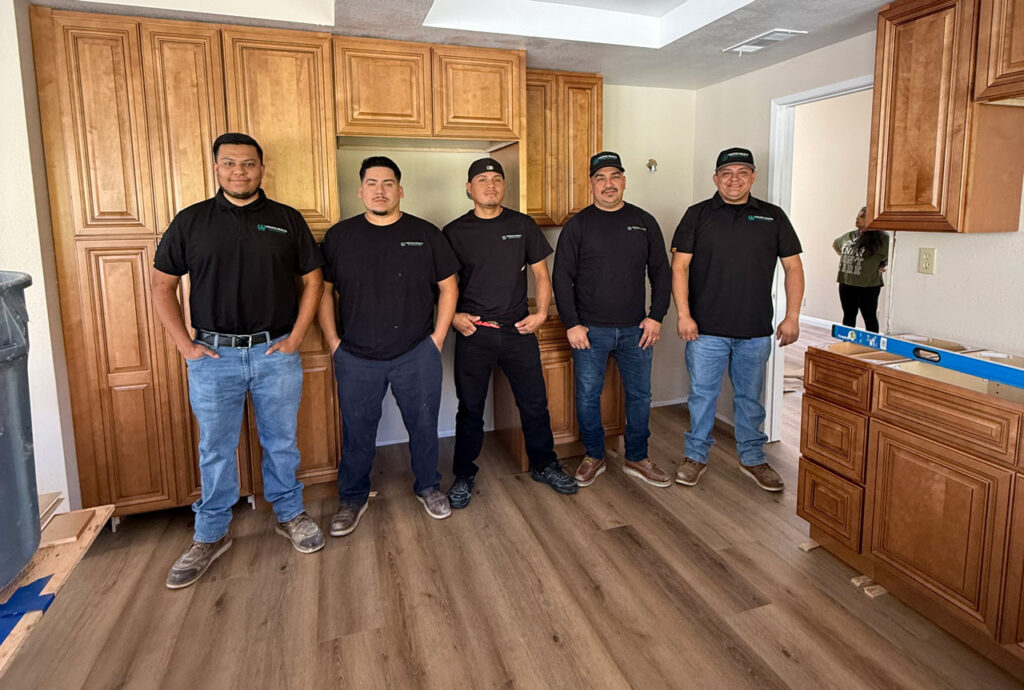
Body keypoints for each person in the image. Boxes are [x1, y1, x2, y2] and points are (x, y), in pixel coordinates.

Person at [153, 132, 325, 589]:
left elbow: (314, 281)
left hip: (275, 353)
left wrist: (296, 337)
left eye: (248, 164)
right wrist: (185, 346)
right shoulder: (191, 222)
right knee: (215, 448)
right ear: (215, 168)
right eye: (229, 164)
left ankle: (290, 515)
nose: (239, 172)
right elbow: (160, 286)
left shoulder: (286, 220)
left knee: (282, 442)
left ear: (261, 168)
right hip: (213, 356)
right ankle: (210, 534)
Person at [318, 156, 459, 536]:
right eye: (372, 183)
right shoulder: (339, 236)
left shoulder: (426, 234)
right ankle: (352, 498)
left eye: (388, 183)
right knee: (357, 430)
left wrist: (437, 339)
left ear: (400, 190)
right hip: (356, 355)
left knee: (424, 425)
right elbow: (324, 292)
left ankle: (428, 487)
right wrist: (333, 342)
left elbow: (449, 287)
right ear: (361, 189)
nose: (380, 190)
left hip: (416, 352)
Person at [442, 158, 578, 508]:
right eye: (482, 180)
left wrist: (542, 314)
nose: (491, 185)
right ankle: (464, 474)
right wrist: (454, 316)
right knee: (470, 408)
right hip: (475, 335)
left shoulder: (523, 225)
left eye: (497, 179)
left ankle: (544, 464)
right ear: (469, 188)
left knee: (534, 404)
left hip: (518, 332)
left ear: (504, 186)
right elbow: (441, 285)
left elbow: (542, 276)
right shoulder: (454, 232)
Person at [671, 147, 804, 492]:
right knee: (702, 396)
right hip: (705, 331)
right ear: (715, 178)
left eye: (742, 172)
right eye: (727, 172)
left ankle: (753, 458)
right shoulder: (697, 215)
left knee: (749, 398)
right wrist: (684, 316)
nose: (734, 179)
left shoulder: (772, 217)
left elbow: (793, 267)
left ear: (753, 176)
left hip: (755, 330)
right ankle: (695, 457)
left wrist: (792, 317)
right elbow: (680, 266)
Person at [552, 151, 673, 488]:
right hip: (590, 331)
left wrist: (656, 317)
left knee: (640, 396)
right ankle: (594, 455)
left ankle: (637, 457)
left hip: (637, 330)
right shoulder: (578, 225)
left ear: (624, 180)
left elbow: (661, 273)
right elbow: (562, 277)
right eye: (600, 178)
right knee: (588, 396)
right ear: (591, 184)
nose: (608, 184)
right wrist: (571, 323)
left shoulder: (644, 221)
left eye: (614, 176)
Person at [833, 206, 889, 333]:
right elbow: (836, 245)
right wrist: (849, 258)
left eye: (862, 216)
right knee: (848, 316)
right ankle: (846, 346)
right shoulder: (850, 236)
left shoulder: (882, 239)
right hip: (846, 282)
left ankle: (871, 348)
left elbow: (895, 252)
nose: (857, 218)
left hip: (868, 285)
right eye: (858, 215)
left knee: (869, 317)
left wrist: (884, 263)